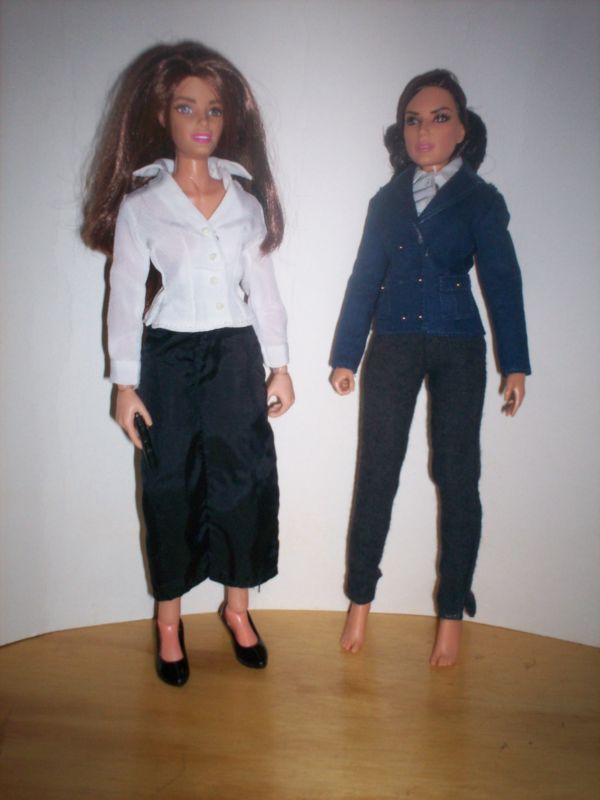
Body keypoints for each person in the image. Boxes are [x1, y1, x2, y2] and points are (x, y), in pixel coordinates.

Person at [81, 41, 294, 685]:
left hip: (234, 353)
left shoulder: (245, 203)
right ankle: (169, 622)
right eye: (186, 107)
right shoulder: (143, 206)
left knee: (244, 478)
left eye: (214, 109)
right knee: (169, 484)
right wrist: (125, 383)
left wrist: (280, 364)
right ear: (162, 115)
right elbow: (124, 293)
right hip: (168, 356)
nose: (202, 121)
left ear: (230, 119)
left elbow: (264, 289)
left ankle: (237, 608)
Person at [329, 69, 530, 667]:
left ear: (462, 129)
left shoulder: (480, 200)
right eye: (413, 120)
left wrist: (515, 363)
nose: (425, 130)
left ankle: (450, 613)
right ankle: (360, 598)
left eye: (440, 118)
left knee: (458, 475)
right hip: (391, 343)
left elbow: (502, 281)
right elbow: (364, 278)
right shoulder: (387, 201)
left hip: (458, 345)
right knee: (377, 471)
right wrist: (346, 354)